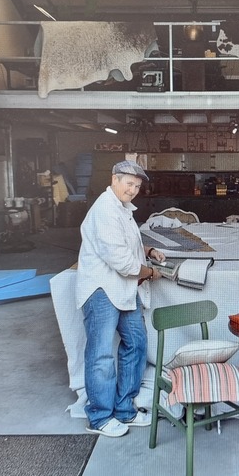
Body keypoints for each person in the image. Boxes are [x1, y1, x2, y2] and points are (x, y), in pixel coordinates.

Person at [75, 160, 166, 438]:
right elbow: (123, 263)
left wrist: (147, 251)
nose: (133, 190)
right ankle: (100, 417)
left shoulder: (122, 208)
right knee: (101, 355)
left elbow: (127, 242)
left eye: (137, 186)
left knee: (136, 343)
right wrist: (151, 272)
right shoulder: (105, 209)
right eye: (129, 184)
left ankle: (125, 409)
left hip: (123, 289)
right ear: (114, 179)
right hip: (102, 290)